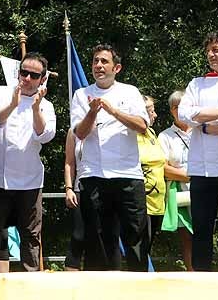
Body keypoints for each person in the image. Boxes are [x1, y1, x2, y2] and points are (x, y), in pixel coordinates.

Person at [71, 43, 149, 271]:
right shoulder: (81, 95)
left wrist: (113, 110)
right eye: (95, 61)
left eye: (104, 61)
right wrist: (92, 111)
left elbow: (142, 126)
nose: (98, 65)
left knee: (135, 237)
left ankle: (139, 287)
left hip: (128, 175)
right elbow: (80, 133)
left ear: (117, 68)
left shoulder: (130, 91)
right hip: (93, 175)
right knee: (98, 242)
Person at [0, 52, 56, 272]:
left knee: (31, 238)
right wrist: (12, 105)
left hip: (29, 181)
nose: (26, 78)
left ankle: (32, 286)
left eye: (33, 75)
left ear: (42, 79)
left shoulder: (47, 105)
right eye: (23, 72)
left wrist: (36, 108)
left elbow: (45, 135)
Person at [177, 29, 218, 271]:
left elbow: (197, 118)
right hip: (202, 169)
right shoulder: (197, 83)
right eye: (209, 50)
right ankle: (202, 280)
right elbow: (185, 114)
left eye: (216, 49)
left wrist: (207, 125)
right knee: (202, 227)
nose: (211, 55)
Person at [157, 89, 193, 270]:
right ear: (171, 110)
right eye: (176, 107)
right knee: (187, 237)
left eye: (184, 106)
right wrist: (192, 175)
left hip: (204, 189)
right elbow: (162, 168)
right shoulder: (164, 136)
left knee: (204, 232)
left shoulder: (203, 131)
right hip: (179, 192)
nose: (180, 110)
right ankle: (193, 274)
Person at [137, 95, 166, 266]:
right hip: (142, 200)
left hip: (157, 202)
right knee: (140, 246)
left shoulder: (151, 132)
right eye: (150, 111)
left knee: (148, 246)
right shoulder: (132, 135)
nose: (154, 115)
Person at [62, 129, 86, 271]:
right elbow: (69, 163)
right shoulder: (73, 131)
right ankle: (70, 280)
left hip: (103, 189)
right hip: (79, 189)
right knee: (78, 236)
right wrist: (69, 189)